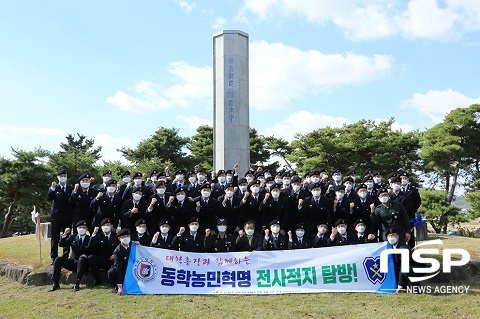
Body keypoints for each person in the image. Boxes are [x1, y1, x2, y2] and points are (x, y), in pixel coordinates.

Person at [49, 220, 91, 292]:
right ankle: (55, 283)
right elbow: (61, 244)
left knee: (81, 259)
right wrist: (65, 234)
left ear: (87, 229)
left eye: (84, 227)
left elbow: (94, 250)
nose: (82, 229)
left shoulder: (90, 239)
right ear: (77, 228)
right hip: (73, 262)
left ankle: (77, 283)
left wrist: (87, 255)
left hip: (84, 264)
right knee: (58, 260)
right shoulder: (72, 237)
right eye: (80, 227)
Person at [47, 169, 74, 264]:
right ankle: (54, 257)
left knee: (67, 236)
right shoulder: (54, 187)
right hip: (56, 217)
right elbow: (49, 198)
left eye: (65, 175)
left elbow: (73, 201)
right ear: (57, 177)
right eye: (61, 175)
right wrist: (52, 189)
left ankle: (65, 256)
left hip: (67, 217)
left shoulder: (71, 188)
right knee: (55, 237)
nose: (63, 177)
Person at [87, 218, 118, 286]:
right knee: (91, 258)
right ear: (101, 227)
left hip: (111, 260)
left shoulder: (116, 236)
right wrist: (93, 234)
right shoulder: (98, 236)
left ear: (111, 226)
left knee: (116, 260)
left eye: (108, 225)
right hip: (101, 259)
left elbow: (119, 248)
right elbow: (90, 246)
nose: (106, 227)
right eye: (104, 225)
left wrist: (114, 255)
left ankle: (111, 280)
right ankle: (97, 279)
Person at [108, 228, 131, 295]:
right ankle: (116, 286)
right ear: (119, 239)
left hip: (132, 269)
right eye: (124, 237)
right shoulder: (117, 251)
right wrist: (120, 286)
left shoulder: (133, 245)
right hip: (123, 270)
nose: (126, 238)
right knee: (111, 272)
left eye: (128, 236)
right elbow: (119, 269)